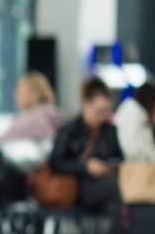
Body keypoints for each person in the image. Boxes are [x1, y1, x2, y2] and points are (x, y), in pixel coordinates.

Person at [50, 77, 124, 216]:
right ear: (86, 104)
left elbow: (119, 159)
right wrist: (85, 166)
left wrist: (108, 167)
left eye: (107, 111)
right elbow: (56, 163)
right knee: (116, 189)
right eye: (99, 111)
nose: (103, 116)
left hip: (105, 182)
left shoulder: (109, 130)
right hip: (74, 186)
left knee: (115, 198)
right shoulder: (69, 130)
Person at [0, 71, 61, 143]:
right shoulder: (49, 112)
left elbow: (8, 138)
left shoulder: (35, 118)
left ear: (33, 93)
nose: (15, 94)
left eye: (19, 90)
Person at [115, 82, 155, 162]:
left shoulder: (138, 112)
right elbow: (132, 150)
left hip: (138, 166)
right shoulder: (132, 110)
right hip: (133, 168)